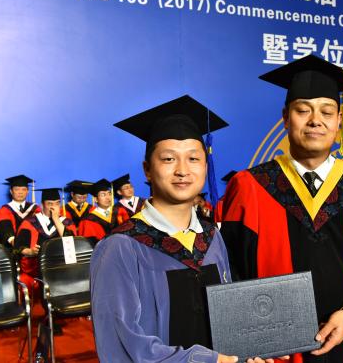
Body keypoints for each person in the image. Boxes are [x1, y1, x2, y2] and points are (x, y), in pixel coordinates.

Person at [221, 55, 343, 363]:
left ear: (339, 120)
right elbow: (230, 271)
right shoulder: (250, 187)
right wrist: (252, 337)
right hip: (274, 352)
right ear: (285, 117)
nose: (315, 120)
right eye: (302, 110)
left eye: (326, 111)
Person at [91, 94, 278, 363]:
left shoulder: (211, 237)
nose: (182, 170)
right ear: (147, 169)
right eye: (169, 159)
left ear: (205, 166)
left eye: (193, 158)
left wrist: (248, 353)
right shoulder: (120, 247)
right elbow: (122, 346)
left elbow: (231, 321)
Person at [15, 188, 77, 300]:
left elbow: (71, 244)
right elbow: (18, 248)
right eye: (50, 204)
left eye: (57, 203)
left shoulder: (67, 222)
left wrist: (56, 220)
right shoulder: (29, 223)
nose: (54, 207)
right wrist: (30, 252)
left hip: (62, 269)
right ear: (42, 205)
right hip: (36, 270)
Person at [77, 179, 129, 243]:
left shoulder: (120, 211)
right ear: (96, 199)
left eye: (109, 194)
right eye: (103, 195)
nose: (108, 197)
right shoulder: (88, 220)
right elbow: (89, 243)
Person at [0, 175, 40, 247]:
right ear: (11, 191)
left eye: (23, 189)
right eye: (17, 189)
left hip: (35, 247)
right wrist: (18, 246)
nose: (20, 192)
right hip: (14, 248)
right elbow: (5, 230)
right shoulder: (4, 210)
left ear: (27, 191)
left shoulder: (36, 209)